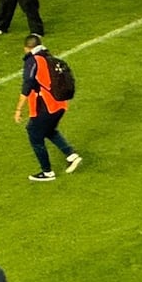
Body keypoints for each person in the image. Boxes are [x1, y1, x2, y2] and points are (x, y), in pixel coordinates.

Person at [14, 33, 83, 181]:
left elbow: (28, 85)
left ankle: (47, 172)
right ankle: (71, 155)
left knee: (34, 133)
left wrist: (19, 109)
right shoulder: (49, 57)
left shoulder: (33, 61)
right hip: (60, 104)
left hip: (46, 106)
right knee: (48, 130)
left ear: (26, 48)